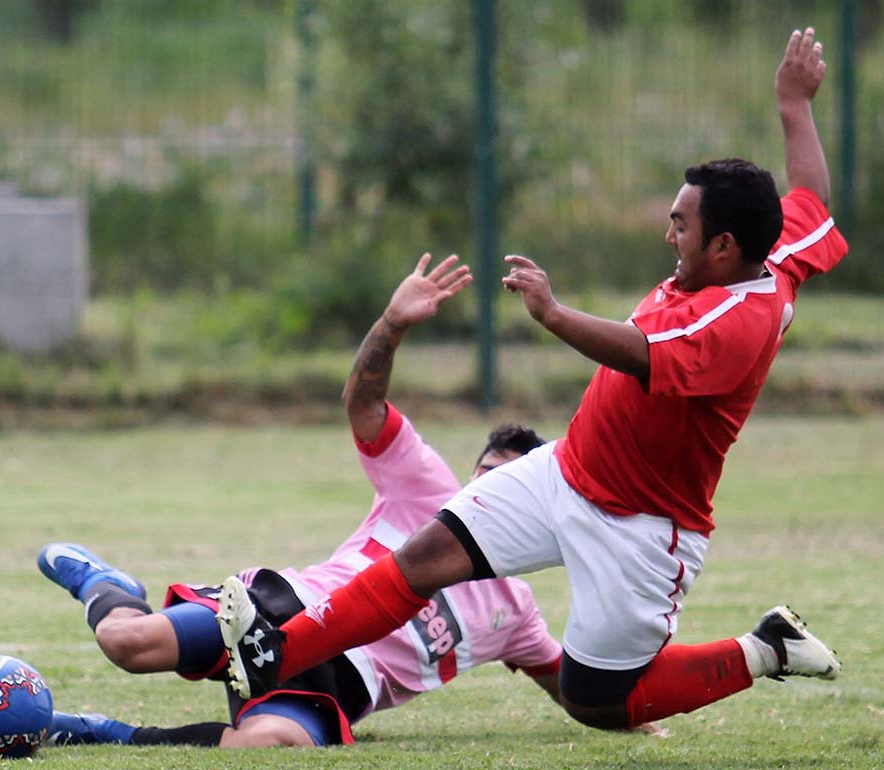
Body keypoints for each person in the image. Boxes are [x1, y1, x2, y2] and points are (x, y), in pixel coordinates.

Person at [219, 27, 850, 733]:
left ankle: (765, 648)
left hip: (641, 526)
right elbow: (812, 200)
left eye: (681, 224)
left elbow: (641, 349)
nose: (669, 235)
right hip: (567, 470)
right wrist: (794, 103)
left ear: (725, 246)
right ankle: (278, 650)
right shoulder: (770, 258)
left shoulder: (737, 323)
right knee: (427, 553)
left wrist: (551, 312)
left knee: (597, 699)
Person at [36, 255, 575, 748]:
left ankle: (102, 734)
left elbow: (574, 688)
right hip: (282, 610)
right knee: (125, 644)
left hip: (341, 682)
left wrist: (632, 709)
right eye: (485, 476)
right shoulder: (428, 488)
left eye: (508, 486)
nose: (489, 493)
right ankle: (106, 585)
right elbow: (364, 404)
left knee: (268, 745)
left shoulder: (516, 611)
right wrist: (393, 323)